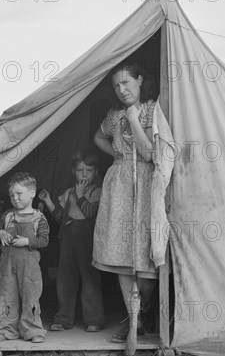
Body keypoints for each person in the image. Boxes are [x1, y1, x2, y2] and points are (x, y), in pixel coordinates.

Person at [92, 62, 159, 342]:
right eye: (117, 86)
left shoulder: (154, 110)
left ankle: (147, 309)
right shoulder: (113, 115)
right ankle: (134, 320)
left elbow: (149, 154)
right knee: (120, 253)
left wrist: (134, 119)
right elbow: (98, 137)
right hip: (119, 183)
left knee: (144, 254)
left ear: (140, 80)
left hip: (145, 182)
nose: (121, 90)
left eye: (126, 83)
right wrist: (118, 157)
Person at [39, 148, 105, 332]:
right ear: (73, 172)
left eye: (89, 171)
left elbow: (91, 213)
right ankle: (63, 318)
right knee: (65, 278)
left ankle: (94, 319)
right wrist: (49, 201)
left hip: (87, 237)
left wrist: (81, 194)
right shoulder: (68, 192)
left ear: (96, 172)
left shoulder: (96, 191)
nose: (84, 175)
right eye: (80, 170)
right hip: (67, 236)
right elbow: (60, 216)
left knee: (90, 278)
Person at [0, 172, 50, 344]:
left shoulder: (39, 218)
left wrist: (27, 241)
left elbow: (44, 240)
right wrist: (0, 232)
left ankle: (33, 330)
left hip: (29, 268)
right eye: (11, 195)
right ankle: (6, 329)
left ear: (32, 193)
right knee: (6, 295)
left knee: (31, 296)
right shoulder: (8, 215)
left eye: (19, 194)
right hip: (7, 265)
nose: (14, 198)